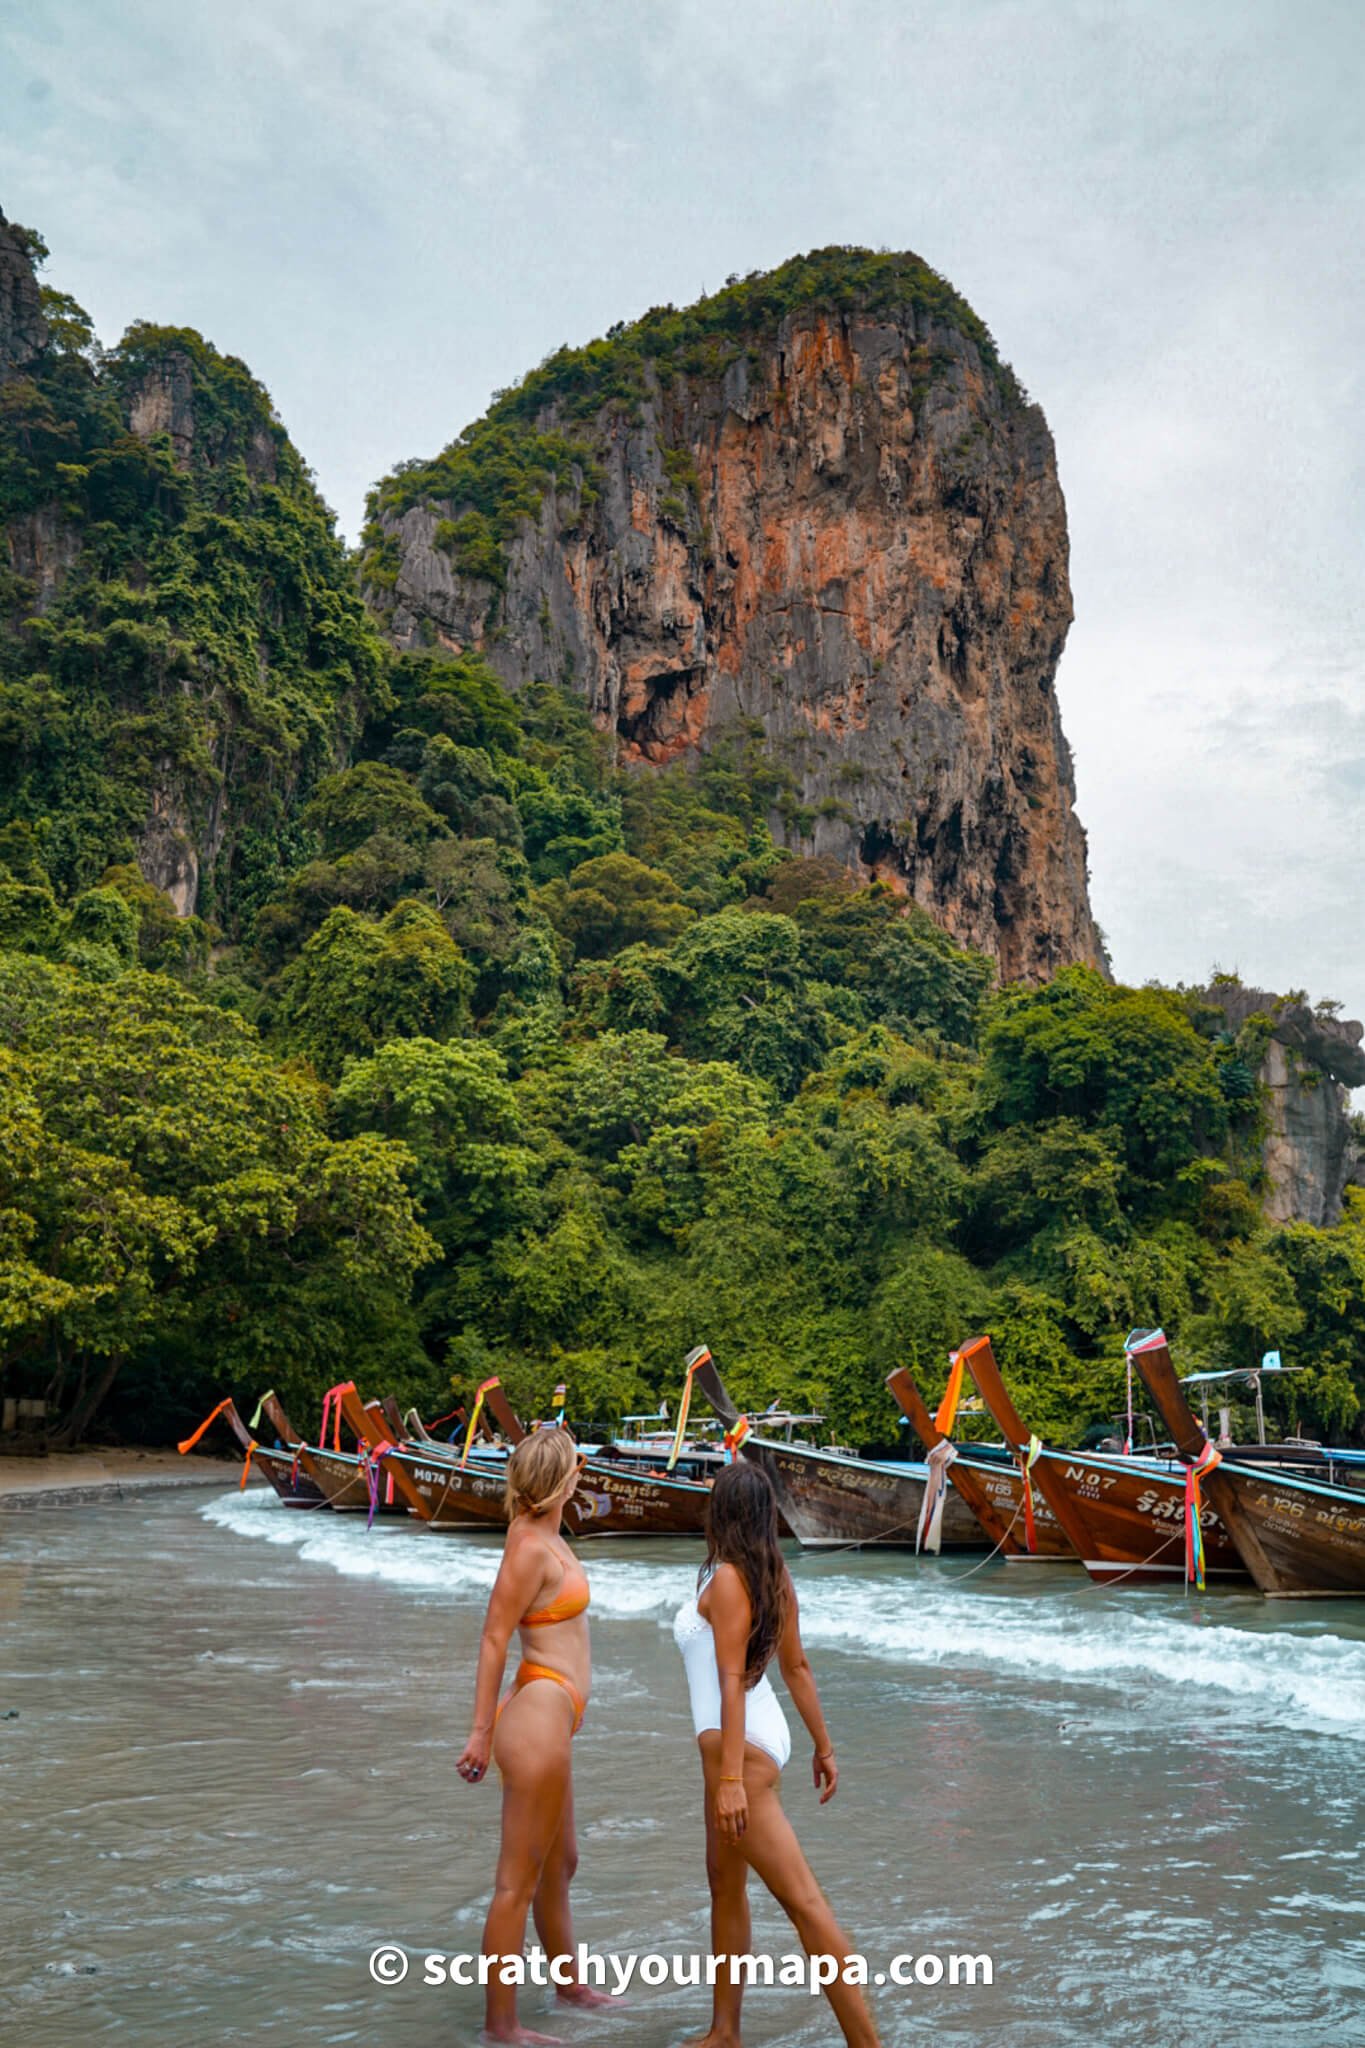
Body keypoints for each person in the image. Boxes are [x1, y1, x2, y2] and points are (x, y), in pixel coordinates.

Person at [674, 1458, 881, 2048]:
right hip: (744, 1750)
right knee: (725, 1886)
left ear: (722, 1512)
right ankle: (725, 2032)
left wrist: (733, 1779)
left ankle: (868, 2044)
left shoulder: (732, 1582)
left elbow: (734, 1681)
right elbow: (796, 1668)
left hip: (742, 1758)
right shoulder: (769, 1574)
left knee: (804, 1904)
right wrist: (823, 1746)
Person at [457, 1427, 611, 2044]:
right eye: (575, 1469)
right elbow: (495, 1636)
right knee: (515, 1881)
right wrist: (480, 1733)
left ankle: (569, 1984)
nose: (582, 1475)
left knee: (561, 1862)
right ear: (559, 1482)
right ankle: (502, 2026)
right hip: (537, 1712)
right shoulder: (528, 1547)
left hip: (556, 1712)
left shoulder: (545, 1533)